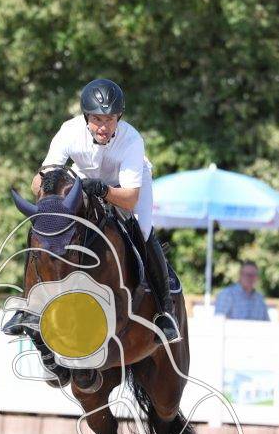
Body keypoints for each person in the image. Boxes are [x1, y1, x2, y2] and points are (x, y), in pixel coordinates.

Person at [32, 78, 181, 344]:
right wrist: (48, 194)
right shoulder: (69, 132)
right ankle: (31, 304)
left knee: (143, 230)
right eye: (97, 119)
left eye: (110, 119)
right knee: (44, 224)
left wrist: (103, 190)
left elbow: (130, 199)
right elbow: (38, 180)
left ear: (118, 118)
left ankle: (165, 311)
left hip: (126, 187)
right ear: (86, 117)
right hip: (82, 179)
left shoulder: (131, 140)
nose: (103, 127)